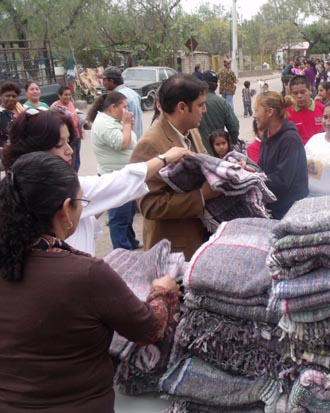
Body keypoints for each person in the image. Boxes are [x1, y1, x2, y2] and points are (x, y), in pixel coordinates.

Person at [0, 151, 180, 413]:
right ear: (65, 210)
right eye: (80, 201)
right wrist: (162, 292)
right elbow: (149, 329)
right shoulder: (86, 274)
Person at [2, 110, 189, 256]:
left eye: (69, 142)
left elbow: (102, 199)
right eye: (60, 144)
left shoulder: (16, 184)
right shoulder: (62, 187)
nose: (69, 151)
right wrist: (164, 158)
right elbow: (120, 182)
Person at [130, 73, 219, 257]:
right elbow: (148, 205)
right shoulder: (150, 144)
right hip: (173, 248)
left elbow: (203, 166)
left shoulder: (191, 130)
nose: (205, 111)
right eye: (200, 105)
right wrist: (200, 197)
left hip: (200, 239)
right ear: (182, 107)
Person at [88, 92, 140, 250]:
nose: (127, 110)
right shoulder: (104, 123)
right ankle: (122, 250)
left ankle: (130, 241)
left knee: (128, 213)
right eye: (124, 107)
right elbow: (122, 144)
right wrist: (127, 124)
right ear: (113, 107)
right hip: (115, 176)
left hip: (125, 174)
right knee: (119, 216)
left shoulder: (113, 121)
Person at [254, 91, 308, 219]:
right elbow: (263, 170)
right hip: (273, 206)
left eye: (257, 110)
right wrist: (248, 170)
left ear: (269, 112)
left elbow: (282, 180)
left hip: (289, 211)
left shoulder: (290, 139)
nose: (254, 115)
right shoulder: (267, 135)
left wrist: (252, 180)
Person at [197, 70, 239, 156]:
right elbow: (234, 126)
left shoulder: (193, 102)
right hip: (218, 155)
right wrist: (231, 143)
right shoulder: (222, 102)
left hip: (199, 153)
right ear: (216, 86)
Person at [101, 66, 143, 138]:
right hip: (136, 137)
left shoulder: (118, 97)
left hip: (127, 138)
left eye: (104, 80)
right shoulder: (132, 93)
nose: (103, 83)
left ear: (111, 81)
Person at [51, 86, 83, 172]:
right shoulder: (55, 107)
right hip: (67, 139)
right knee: (69, 161)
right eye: (65, 95)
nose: (68, 97)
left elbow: (76, 118)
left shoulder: (71, 104)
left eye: (69, 95)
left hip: (76, 136)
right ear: (59, 95)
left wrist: (81, 130)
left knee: (77, 160)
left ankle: (75, 177)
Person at [286, 75, 324, 145]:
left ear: (310, 90)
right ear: (291, 94)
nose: (299, 96)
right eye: (295, 93)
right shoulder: (287, 113)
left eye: (303, 92)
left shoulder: (323, 109)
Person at [0, 82, 24, 166]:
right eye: (7, 96)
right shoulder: (1, 114)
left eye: (14, 96)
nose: (11, 98)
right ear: (1, 96)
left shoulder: (22, 111)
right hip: (9, 156)